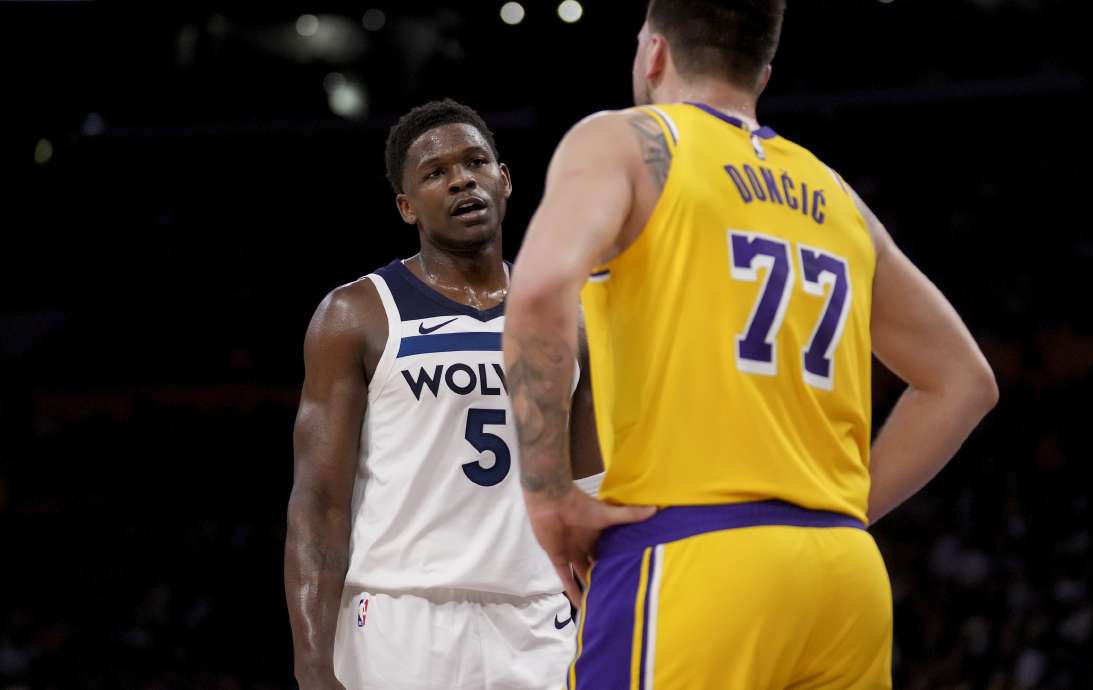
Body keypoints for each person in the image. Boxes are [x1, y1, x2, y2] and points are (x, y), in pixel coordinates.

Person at [502, 1, 999, 687]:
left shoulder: (625, 140)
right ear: (762, 73)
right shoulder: (835, 194)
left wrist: (548, 492)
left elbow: (535, 292)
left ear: (652, 52)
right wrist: (827, 511)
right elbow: (964, 381)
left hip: (690, 555)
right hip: (842, 579)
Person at [285, 99, 598, 690]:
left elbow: (590, 490)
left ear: (503, 179)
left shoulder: (573, 318)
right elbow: (318, 505)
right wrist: (311, 666)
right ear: (406, 206)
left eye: (476, 162)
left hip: (541, 621)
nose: (461, 179)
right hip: (401, 618)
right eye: (435, 173)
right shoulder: (357, 314)